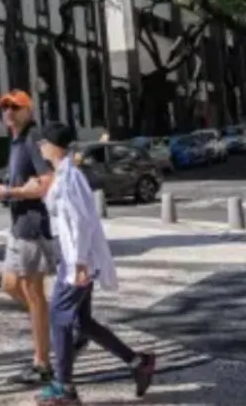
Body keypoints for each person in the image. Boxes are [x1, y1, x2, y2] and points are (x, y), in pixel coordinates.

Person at [35, 120, 156, 404]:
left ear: (54, 146)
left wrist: (78, 263)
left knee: (59, 316)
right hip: (74, 257)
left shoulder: (70, 177)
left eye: (43, 142)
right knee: (81, 321)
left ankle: (64, 387)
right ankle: (138, 363)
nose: (39, 147)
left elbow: (81, 222)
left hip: (77, 260)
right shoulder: (64, 175)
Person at [0, 91, 59, 386]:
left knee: (33, 294)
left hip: (34, 226)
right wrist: (3, 190)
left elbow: (46, 183)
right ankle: (59, 327)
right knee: (9, 285)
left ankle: (42, 364)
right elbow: (21, 182)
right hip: (18, 226)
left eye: (15, 107)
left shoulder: (32, 138)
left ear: (29, 110)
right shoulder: (16, 141)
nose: (8, 111)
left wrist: (8, 192)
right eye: (4, 107)